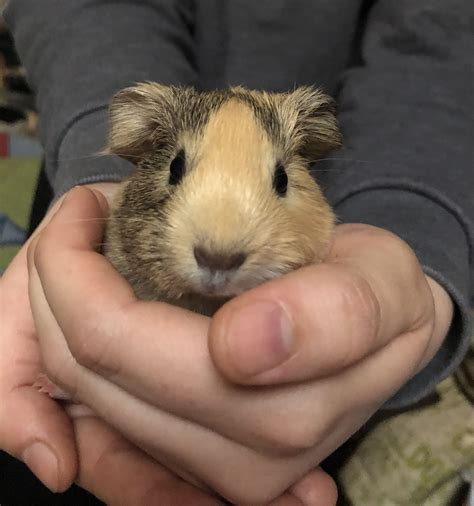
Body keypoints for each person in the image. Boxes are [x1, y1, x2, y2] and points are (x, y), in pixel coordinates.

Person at [1, 1, 472, 504]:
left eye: (280, 180)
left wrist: (410, 242)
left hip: (314, 385)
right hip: (83, 146)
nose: (219, 250)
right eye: (178, 169)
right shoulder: (113, 202)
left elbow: (443, 31)